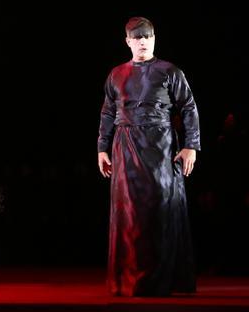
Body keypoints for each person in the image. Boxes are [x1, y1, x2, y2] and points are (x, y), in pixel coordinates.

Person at [97, 16, 200, 296]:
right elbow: (108, 112)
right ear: (128, 41)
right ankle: (128, 280)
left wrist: (191, 145)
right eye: (137, 37)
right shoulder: (116, 74)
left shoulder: (169, 71)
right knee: (130, 214)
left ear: (154, 39)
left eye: (148, 37)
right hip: (125, 145)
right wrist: (101, 148)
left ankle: (163, 279)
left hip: (160, 146)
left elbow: (188, 107)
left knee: (159, 209)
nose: (143, 42)